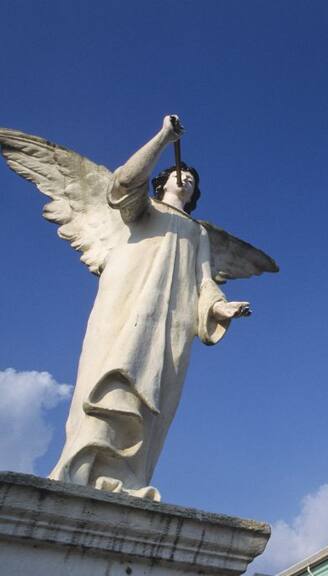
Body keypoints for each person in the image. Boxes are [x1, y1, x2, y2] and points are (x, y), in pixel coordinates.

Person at [47, 116, 251, 500]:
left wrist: (221, 309)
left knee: (154, 394)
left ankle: (128, 478)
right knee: (105, 375)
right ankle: (80, 468)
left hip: (169, 320)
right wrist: (162, 139)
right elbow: (123, 183)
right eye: (178, 175)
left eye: (191, 179)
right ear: (163, 181)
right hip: (125, 303)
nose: (185, 179)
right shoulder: (144, 209)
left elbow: (203, 282)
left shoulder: (197, 232)